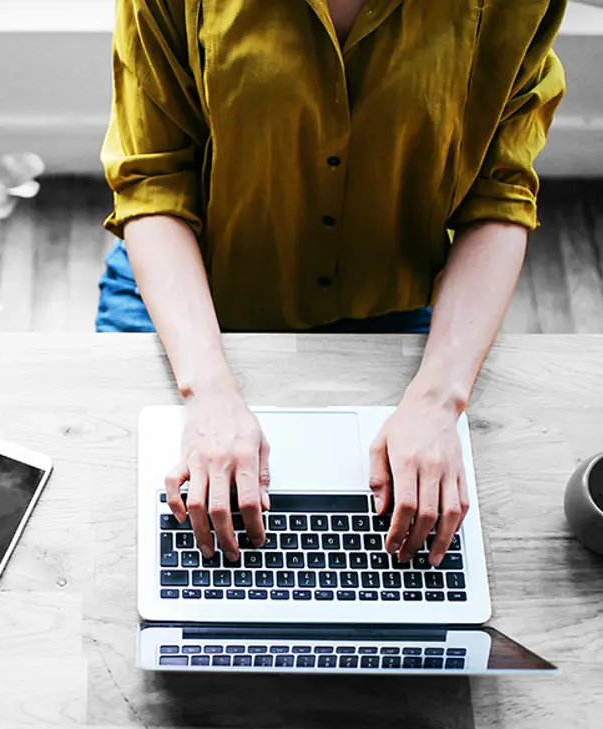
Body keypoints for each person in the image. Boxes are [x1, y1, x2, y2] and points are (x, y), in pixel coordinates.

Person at [98, 0, 566, 567]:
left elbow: (500, 193)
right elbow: (153, 182)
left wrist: (439, 400)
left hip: (391, 305)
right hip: (190, 296)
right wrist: (211, 394)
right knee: (124, 542)